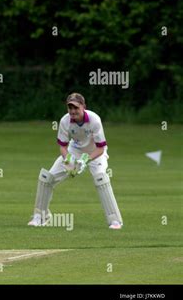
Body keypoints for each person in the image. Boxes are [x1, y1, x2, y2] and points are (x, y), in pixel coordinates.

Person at [27, 93, 123, 229]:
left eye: (76, 108)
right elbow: (63, 147)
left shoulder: (94, 120)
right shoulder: (65, 121)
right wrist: (69, 161)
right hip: (74, 151)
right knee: (46, 178)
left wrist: (86, 160)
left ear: (84, 107)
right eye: (70, 108)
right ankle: (40, 216)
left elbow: (101, 148)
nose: (72, 111)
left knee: (101, 179)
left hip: (95, 152)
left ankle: (115, 220)